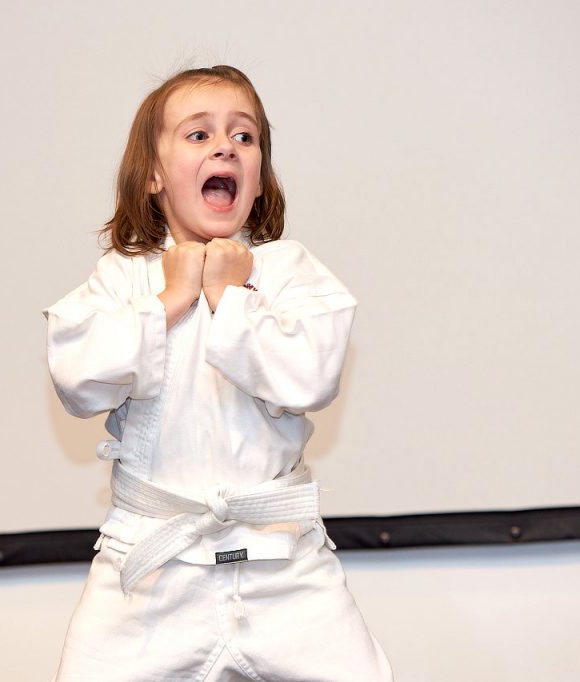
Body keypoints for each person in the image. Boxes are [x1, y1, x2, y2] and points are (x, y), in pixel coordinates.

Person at [44, 65, 393, 682]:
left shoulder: (288, 272)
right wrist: (168, 300)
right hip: (149, 569)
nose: (226, 146)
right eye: (199, 135)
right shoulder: (125, 277)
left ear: (259, 178)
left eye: (244, 136)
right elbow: (78, 379)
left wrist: (231, 298)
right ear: (153, 175)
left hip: (284, 567)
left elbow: (310, 377)